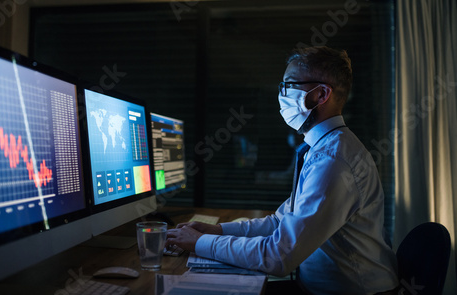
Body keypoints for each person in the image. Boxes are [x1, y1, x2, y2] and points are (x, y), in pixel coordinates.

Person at [166, 46, 399, 295]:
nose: (282, 95)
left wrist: (200, 243)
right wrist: (218, 230)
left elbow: (279, 256)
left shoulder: (333, 160)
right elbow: (280, 221)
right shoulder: (323, 147)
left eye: (288, 86)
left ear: (321, 94)